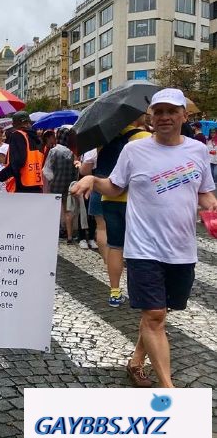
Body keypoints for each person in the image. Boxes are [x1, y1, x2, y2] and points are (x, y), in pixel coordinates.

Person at [71, 88, 217, 388]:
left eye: (171, 111)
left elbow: (204, 194)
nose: (164, 117)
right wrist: (92, 180)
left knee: (159, 315)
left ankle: (137, 360)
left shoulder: (198, 151)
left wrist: (212, 208)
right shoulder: (134, 150)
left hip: (181, 249)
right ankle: (168, 389)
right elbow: (114, 187)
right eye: (158, 111)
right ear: (150, 116)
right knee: (154, 313)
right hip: (143, 248)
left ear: (183, 116)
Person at [96, 116, 151, 307]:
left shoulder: (105, 139)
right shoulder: (143, 136)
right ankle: (142, 295)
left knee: (115, 246)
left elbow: (96, 169)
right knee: (139, 249)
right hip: (135, 201)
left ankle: (114, 292)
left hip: (108, 198)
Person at [0, 111, 43, 193]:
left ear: (15, 124)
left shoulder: (18, 135)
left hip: (22, 185)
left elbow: (17, 162)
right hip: (37, 184)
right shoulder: (37, 139)